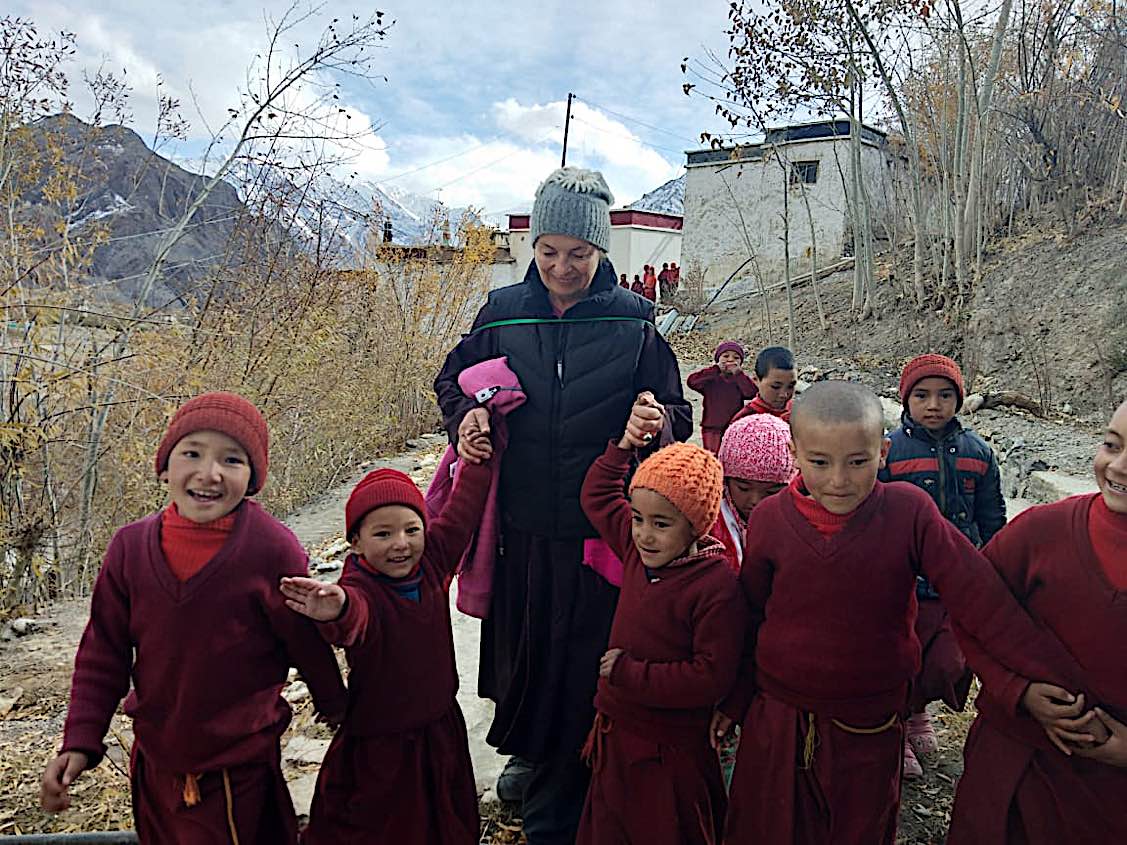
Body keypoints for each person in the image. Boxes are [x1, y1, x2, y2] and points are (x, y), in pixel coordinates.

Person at [434, 165, 691, 844]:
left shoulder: (633, 322)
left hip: (596, 529)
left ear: (600, 251)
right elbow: (450, 381)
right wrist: (464, 416)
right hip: (518, 523)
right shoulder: (502, 311)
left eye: (577, 253)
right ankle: (531, 751)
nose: (560, 266)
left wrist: (652, 419)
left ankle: (564, 797)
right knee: (521, 656)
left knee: (580, 663)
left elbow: (677, 413)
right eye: (547, 251)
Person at [714, 380, 1077, 845]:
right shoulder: (770, 521)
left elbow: (980, 597)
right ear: (795, 453)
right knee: (771, 828)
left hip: (869, 722)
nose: (839, 481)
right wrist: (734, 698)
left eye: (858, 462)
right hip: (781, 718)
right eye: (820, 462)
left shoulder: (909, 513)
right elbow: (750, 615)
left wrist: (1029, 679)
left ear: (883, 452)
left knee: (860, 828)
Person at [41, 393, 347, 843]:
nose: (210, 473)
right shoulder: (128, 549)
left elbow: (304, 641)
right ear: (164, 467)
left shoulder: (271, 549)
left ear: (253, 477)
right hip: (155, 760)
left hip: (237, 765)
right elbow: (103, 651)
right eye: (192, 453)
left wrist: (339, 710)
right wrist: (81, 740)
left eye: (232, 459)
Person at [280, 459, 493, 844]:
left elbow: (463, 510)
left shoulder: (432, 561)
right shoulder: (359, 587)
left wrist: (477, 459)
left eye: (412, 529)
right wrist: (338, 608)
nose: (401, 543)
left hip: (439, 728)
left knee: (446, 820)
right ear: (356, 542)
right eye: (383, 534)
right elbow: (355, 617)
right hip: (381, 742)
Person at [946, 397, 1127, 843]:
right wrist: (1018, 691)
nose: (1119, 467)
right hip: (1015, 762)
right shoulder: (1041, 532)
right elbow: (972, 611)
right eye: (1111, 444)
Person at [577, 395, 745, 845]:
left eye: (661, 524)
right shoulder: (637, 553)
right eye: (637, 519)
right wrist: (626, 445)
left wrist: (631, 674)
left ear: (697, 526)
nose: (645, 534)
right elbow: (595, 495)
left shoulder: (715, 587)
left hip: (671, 751)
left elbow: (710, 677)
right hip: (616, 734)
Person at [878, 354, 1005, 779]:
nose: (934, 404)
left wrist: (994, 561)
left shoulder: (979, 453)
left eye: (945, 395)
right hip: (905, 581)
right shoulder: (890, 453)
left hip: (958, 581)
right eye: (922, 395)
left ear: (960, 400)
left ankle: (920, 710)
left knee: (947, 663)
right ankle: (900, 724)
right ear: (905, 400)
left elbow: (991, 515)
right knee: (904, 657)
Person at [712, 414, 794, 573]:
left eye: (771, 491)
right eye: (743, 488)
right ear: (725, 481)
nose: (755, 500)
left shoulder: (799, 524)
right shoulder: (707, 524)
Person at [687, 341, 758, 454]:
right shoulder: (711, 378)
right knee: (711, 456)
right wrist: (715, 369)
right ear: (718, 359)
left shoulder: (739, 380)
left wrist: (739, 374)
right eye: (725, 356)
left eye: (736, 358)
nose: (730, 360)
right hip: (711, 427)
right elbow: (692, 382)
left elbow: (751, 393)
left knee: (731, 456)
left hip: (734, 427)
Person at [729, 346, 797, 424]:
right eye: (776, 387)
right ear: (756, 380)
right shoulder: (744, 420)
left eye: (790, 386)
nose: (784, 395)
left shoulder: (799, 411)